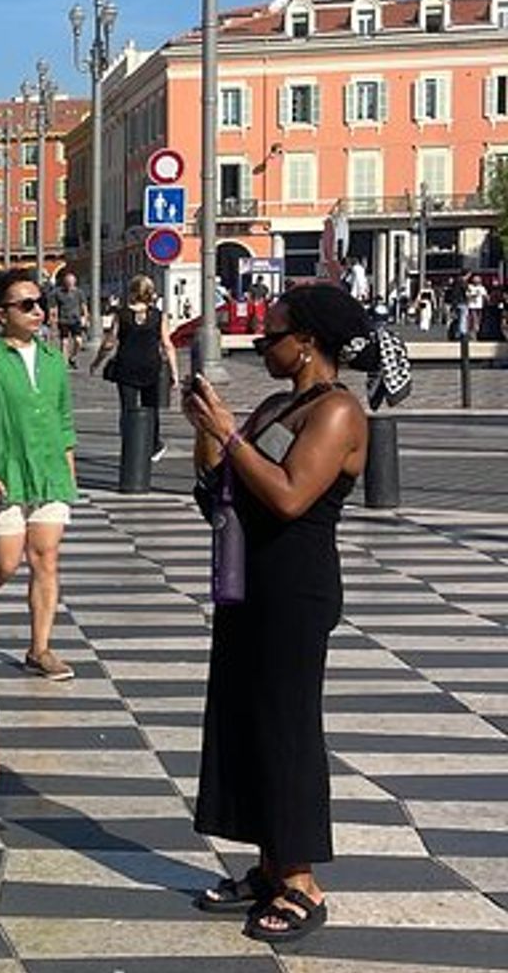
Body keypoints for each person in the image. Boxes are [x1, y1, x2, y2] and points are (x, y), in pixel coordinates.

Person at [183, 282, 404, 946]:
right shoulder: (283, 403)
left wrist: (228, 432)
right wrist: (208, 430)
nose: (261, 345)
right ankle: (269, 863)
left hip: (296, 589)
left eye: (270, 335)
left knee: (287, 725)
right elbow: (222, 485)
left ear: (306, 341)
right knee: (243, 718)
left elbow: (286, 497)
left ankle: (302, 878)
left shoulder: (337, 413)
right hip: (248, 579)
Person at [0, 269, 78, 680]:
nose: (37, 310)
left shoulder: (53, 362)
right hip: (6, 475)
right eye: (25, 304)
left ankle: (40, 648)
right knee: (5, 564)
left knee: (45, 559)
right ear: (0, 313)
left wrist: (69, 467)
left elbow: (63, 419)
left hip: (48, 475)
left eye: (39, 302)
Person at [91, 274, 179, 463]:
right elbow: (167, 344)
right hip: (151, 366)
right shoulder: (158, 316)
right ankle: (154, 445)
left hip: (126, 366)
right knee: (151, 408)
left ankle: (130, 446)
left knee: (127, 409)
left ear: (131, 292)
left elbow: (109, 343)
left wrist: (96, 362)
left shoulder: (121, 315)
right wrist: (174, 372)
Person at [51, 270, 88, 367]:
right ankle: (64, 362)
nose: (70, 285)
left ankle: (72, 357)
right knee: (64, 342)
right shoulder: (58, 293)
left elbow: (84, 305)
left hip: (76, 319)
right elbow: (54, 307)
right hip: (63, 320)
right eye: (68, 283)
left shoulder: (79, 292)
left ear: (74, 282)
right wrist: (53, 319)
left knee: (78, 341)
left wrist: (85, 317)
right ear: (65, 282)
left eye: (71, 283)